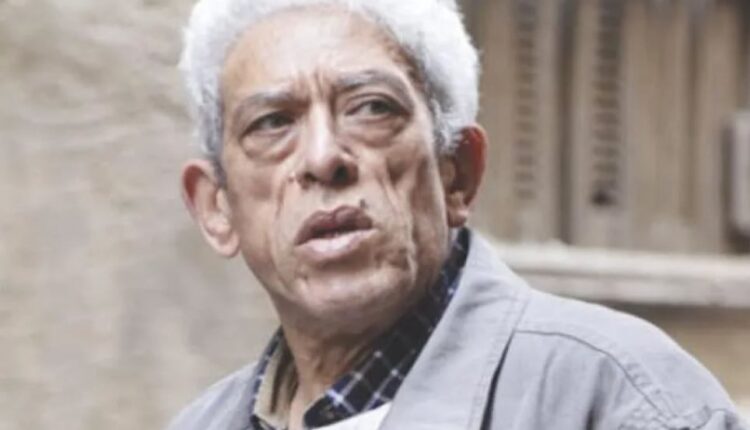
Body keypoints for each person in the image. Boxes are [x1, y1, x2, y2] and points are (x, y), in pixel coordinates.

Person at [168, 0, 747, 429]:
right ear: (218, 208)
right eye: (272, 123)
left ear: (458, 173)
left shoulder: (621, 399)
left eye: (371, 109)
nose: (323, 158)